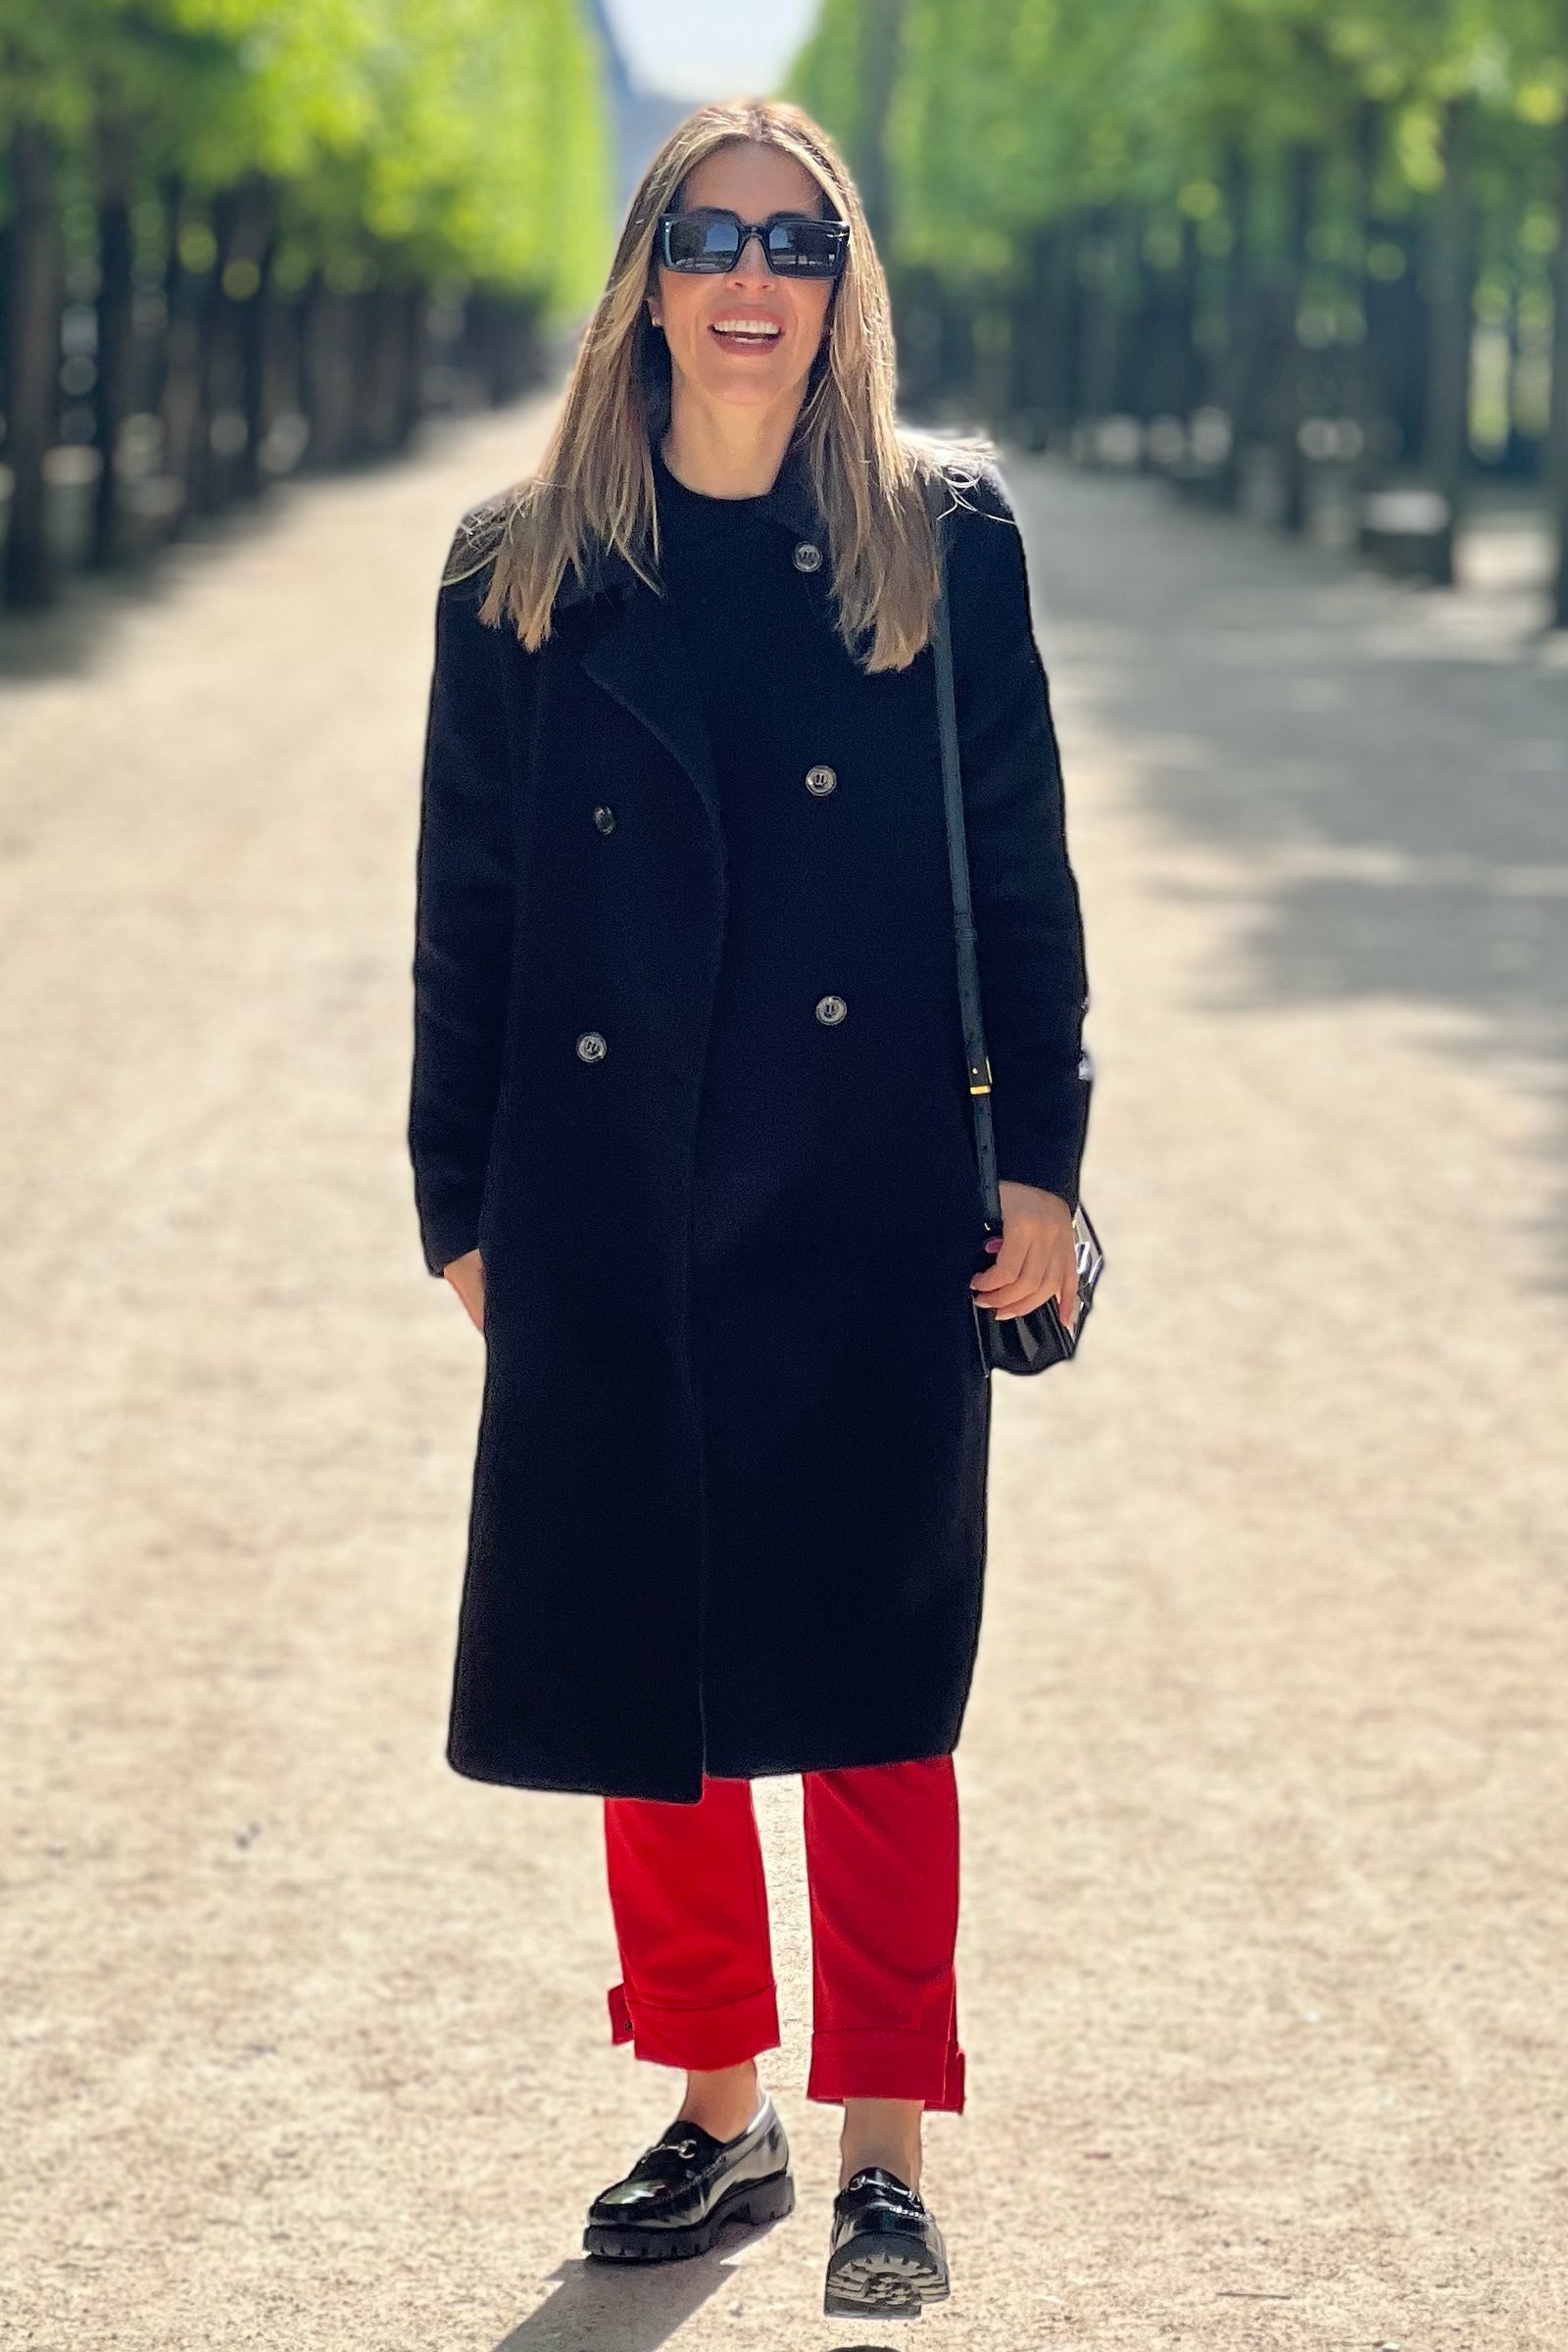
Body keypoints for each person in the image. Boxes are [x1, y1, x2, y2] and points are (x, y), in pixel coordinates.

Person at [408, 96, 1091, 2321]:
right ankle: (719, 2117)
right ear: (646, 275)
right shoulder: (517, 563)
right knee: (648, 1673)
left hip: (871, 1172)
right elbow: (473, 908)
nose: (748, 276)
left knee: (880, 1681)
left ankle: (883, 2145)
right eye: (706, 234)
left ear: (838, 286)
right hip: (607, 1184)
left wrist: (1046, 1165)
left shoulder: (935, 537)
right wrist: (457, 1195)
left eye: (792, 241)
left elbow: (1017, 870)